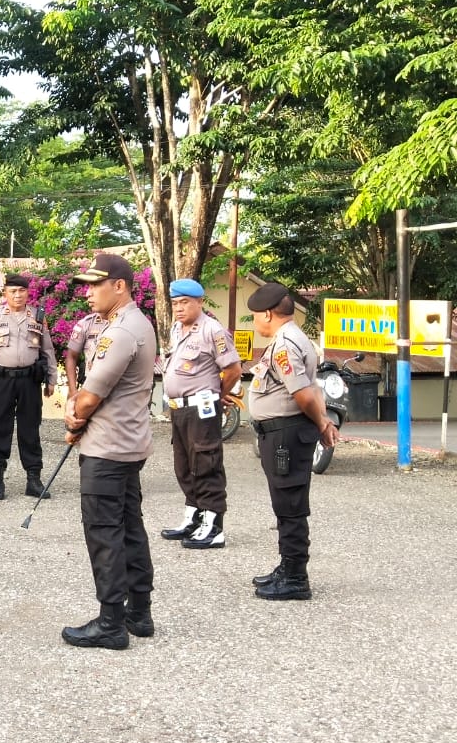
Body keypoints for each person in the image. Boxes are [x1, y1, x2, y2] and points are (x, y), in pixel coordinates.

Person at [61, 254, 157, 650]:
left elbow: (89, 398)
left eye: (94, 285)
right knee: (130, 527)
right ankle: (139, 612)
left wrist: (73, 420)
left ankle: (111, 623)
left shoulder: (119, 333)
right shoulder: (140, 324)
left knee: (104, 533)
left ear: (119, 286)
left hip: (107, 450)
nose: (88, 293)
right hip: (128, 444)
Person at [246, 281, 339, 600]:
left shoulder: (285, 343)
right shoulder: (296, 338)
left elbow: (302, 393)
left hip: (285, 433)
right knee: (286, 503)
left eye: (256, 315)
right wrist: (322, 421)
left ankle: (296, 577)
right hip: (283, 432)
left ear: (269, 314)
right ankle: (288, 567)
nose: (255, 321)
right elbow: (311, 387)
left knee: (290, 505)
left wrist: (321, 421)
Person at [158, 278, 242, 549]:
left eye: (185, 302)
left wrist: (216, 393)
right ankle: (193, 518)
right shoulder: (177, 329)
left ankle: (213, 527)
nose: (179, 308)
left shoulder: (212, 330)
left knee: (206, 464)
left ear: (200, 302)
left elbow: (233, 370)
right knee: (184, 465)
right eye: (175, 303)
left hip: (202, 408)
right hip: (180, 409)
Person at [0, 273, 58, 500]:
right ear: (5, 293)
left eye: (21, 291)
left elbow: (48, 350)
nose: (17, 295)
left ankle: (33, 480)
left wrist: (51, 379)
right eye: (13, 291)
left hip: (29, 382)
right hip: (3, 381)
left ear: (27, 293)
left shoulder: (37, 316)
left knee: (30, 430)